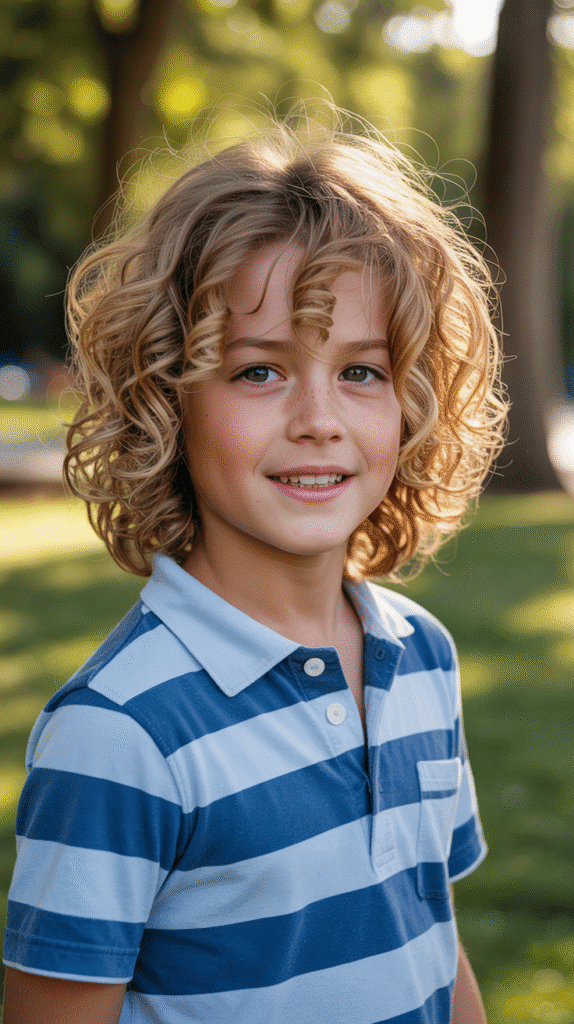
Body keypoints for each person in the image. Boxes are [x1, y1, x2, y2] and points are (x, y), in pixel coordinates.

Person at [2, 107, 507, 1024]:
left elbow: (429, 934)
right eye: (258, 372)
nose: (319, 417)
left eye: (361, 372)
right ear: (165, 399)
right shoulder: (121, 735)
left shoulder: (421, 656)